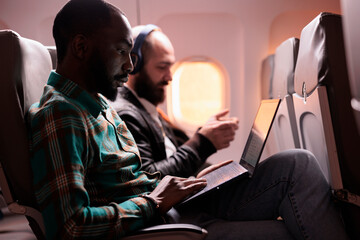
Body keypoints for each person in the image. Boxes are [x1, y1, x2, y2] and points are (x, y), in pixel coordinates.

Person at [27, 0, 349, 239]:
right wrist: (154, 202)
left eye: (132, 55)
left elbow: (136, 180)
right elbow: (69, 227)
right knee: (290, 226)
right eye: (121, 51)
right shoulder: (61, 114)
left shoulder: (97, 101)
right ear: (81, 47)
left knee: (298, 165)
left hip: (175, 206)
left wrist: (196, 181)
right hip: (160, 226)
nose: (129, 66)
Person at [110, 24, 239, 178]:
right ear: (134, 65)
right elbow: (148, 177)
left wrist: (206, 133)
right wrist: (203, 143)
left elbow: (177, 156)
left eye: (170, 67)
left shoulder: (148, 109)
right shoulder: (126, 115)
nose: (169, 77)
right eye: (162, 67)